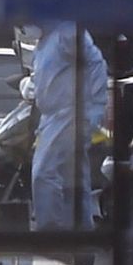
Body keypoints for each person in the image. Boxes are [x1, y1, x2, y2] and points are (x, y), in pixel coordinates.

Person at [31, 22, 108, 233]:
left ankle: (51, 234)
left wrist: (95, 107)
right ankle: (81, 238)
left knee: (44, 174)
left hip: (68, 115)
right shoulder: (44, 41)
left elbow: (96, 64)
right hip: (54, 118)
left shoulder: (66, 31)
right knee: (73, 180)